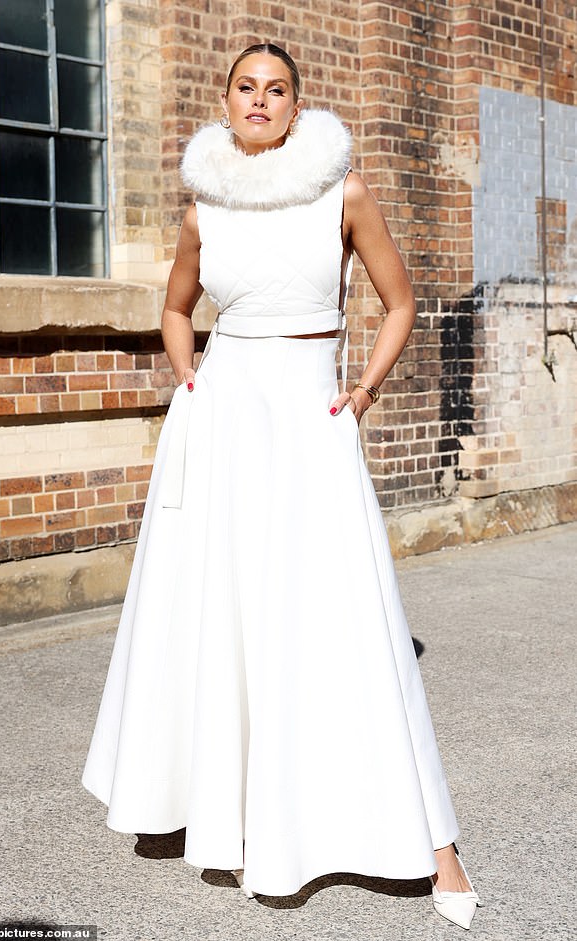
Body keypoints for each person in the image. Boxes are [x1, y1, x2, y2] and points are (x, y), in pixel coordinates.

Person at [82, 42, 481, 930]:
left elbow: (401, 301)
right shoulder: (203, 211)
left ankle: (433, 843)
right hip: (225, 419)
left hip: (309, 419)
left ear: (297, 108)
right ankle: (221, 806)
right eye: (246, 88)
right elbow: (177, 309)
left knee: (345, 607)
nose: (261, 101)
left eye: (278, 90)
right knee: (221, 605)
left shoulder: (341, 192)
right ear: (225, 103)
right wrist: (190, 380)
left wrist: (364, 391)